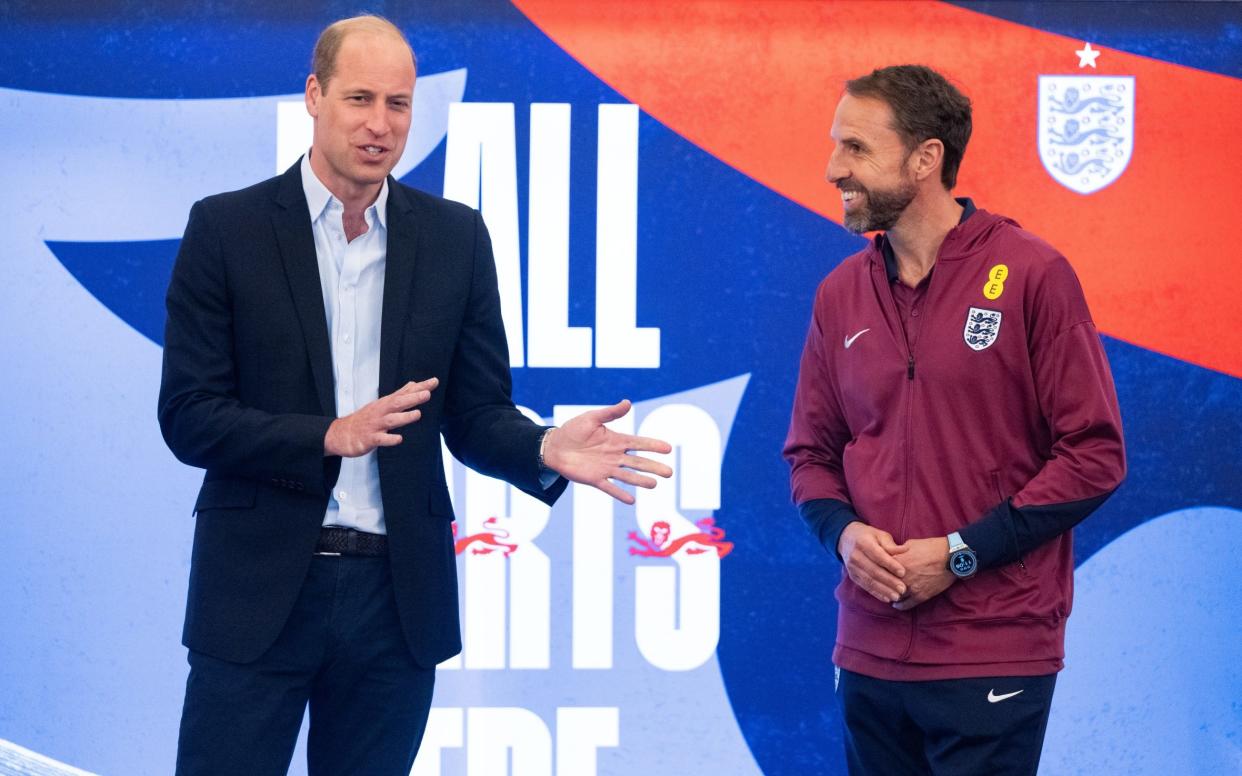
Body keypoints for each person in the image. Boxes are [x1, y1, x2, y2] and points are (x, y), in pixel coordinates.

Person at [158, 15, 672, 775]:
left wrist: (542, 446)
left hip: (395, 602)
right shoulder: (226, 229)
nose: (379, 124)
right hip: (257, 592)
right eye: (359, 98)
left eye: (397, 104)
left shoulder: (455, 238)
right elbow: (189, 416)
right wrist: (329, 435)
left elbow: (473, 414)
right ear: (313, 96)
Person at [783, 65, 1125, 775]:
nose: (831, 169)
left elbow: (1094, 454)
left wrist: (961, 552)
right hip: (869, 649)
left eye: (855, 148)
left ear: (925, 158)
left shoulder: (1032, 273)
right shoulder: (839, 293)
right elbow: (810, 454)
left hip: (993, 646)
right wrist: (844, 536)